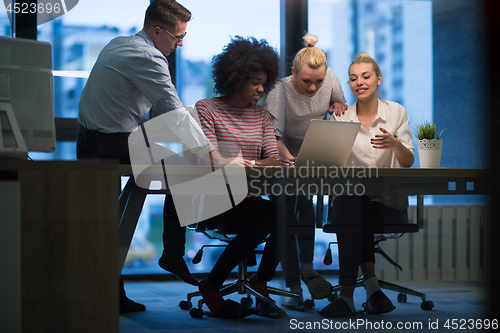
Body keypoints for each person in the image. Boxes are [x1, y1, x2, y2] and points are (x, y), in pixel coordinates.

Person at [76, 0, 236, 313]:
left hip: (91, 140)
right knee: (187, 169)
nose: (179, 44)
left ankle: (113, 292)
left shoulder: (121, 44)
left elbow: (151, 107)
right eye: (178, 37)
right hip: (111, 144)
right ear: (157, 30)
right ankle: (173, 253)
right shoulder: (148, 56)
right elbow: (172, 111)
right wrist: (211, 154)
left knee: (106, 223)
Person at [194, 36, 299, 319]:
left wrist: (258, 163)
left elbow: (273, 161)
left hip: (247, 198)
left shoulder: (262, 116)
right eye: (255, 81)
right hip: (213, 201)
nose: (261, 88)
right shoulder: (206, 109)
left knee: (286, 213)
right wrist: (256, 163)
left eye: (264, 82)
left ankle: (260, 282)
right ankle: (212, 286)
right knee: (259, 220)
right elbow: (212, 160)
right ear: (235, 77)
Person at [318, 52, 415, 317]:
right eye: (352, 78)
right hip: (351, 201)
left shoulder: (396, 112)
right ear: (348, 85)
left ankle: (347, 296)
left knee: (352, 213)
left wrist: (395, 143)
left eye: (365, 76)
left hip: (386, 204)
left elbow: (407, 162)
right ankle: (371, 290)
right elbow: (328, 168)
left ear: (378, 79)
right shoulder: (340, 117)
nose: (359, 82)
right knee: (352, 203)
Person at [261, 33, 347, 307]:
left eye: (318, 82)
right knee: (286, 211)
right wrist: (289, 161)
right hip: (279, 153)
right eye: (306, 81)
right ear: (293, 72)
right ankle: (294, 286)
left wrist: (336, 104)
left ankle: (306, 268)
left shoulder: (329, 77)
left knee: (305, 206)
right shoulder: (278, 90)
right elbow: (272, 136)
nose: (313, 88)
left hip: (311, 154)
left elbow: (339, 103)